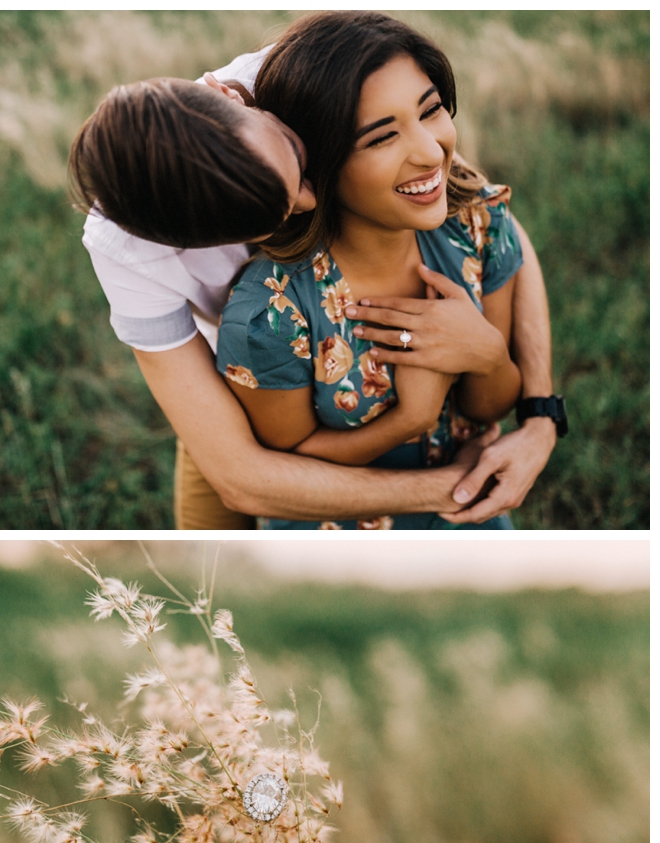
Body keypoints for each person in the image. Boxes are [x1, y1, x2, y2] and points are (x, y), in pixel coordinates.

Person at [70, 19, 560, 530]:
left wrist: (540, 415)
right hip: (246, 385)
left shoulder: (307, 75)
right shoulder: (129, 252)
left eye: (299, 161)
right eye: (281, 209)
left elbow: (475, 204)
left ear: (233, 99)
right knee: (209, 565)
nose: (310, 200)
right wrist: (456, 482)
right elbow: (239, 473)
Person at [216, 12, 523, 529]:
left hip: (473, 521)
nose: (430, 152)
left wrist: (487, 354)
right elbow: (286, 463)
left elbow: (487, 409)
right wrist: (411, 419)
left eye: (430, 112)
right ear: (319, 164)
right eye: (381, 138)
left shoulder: (477, 223)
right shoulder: (271, 312)